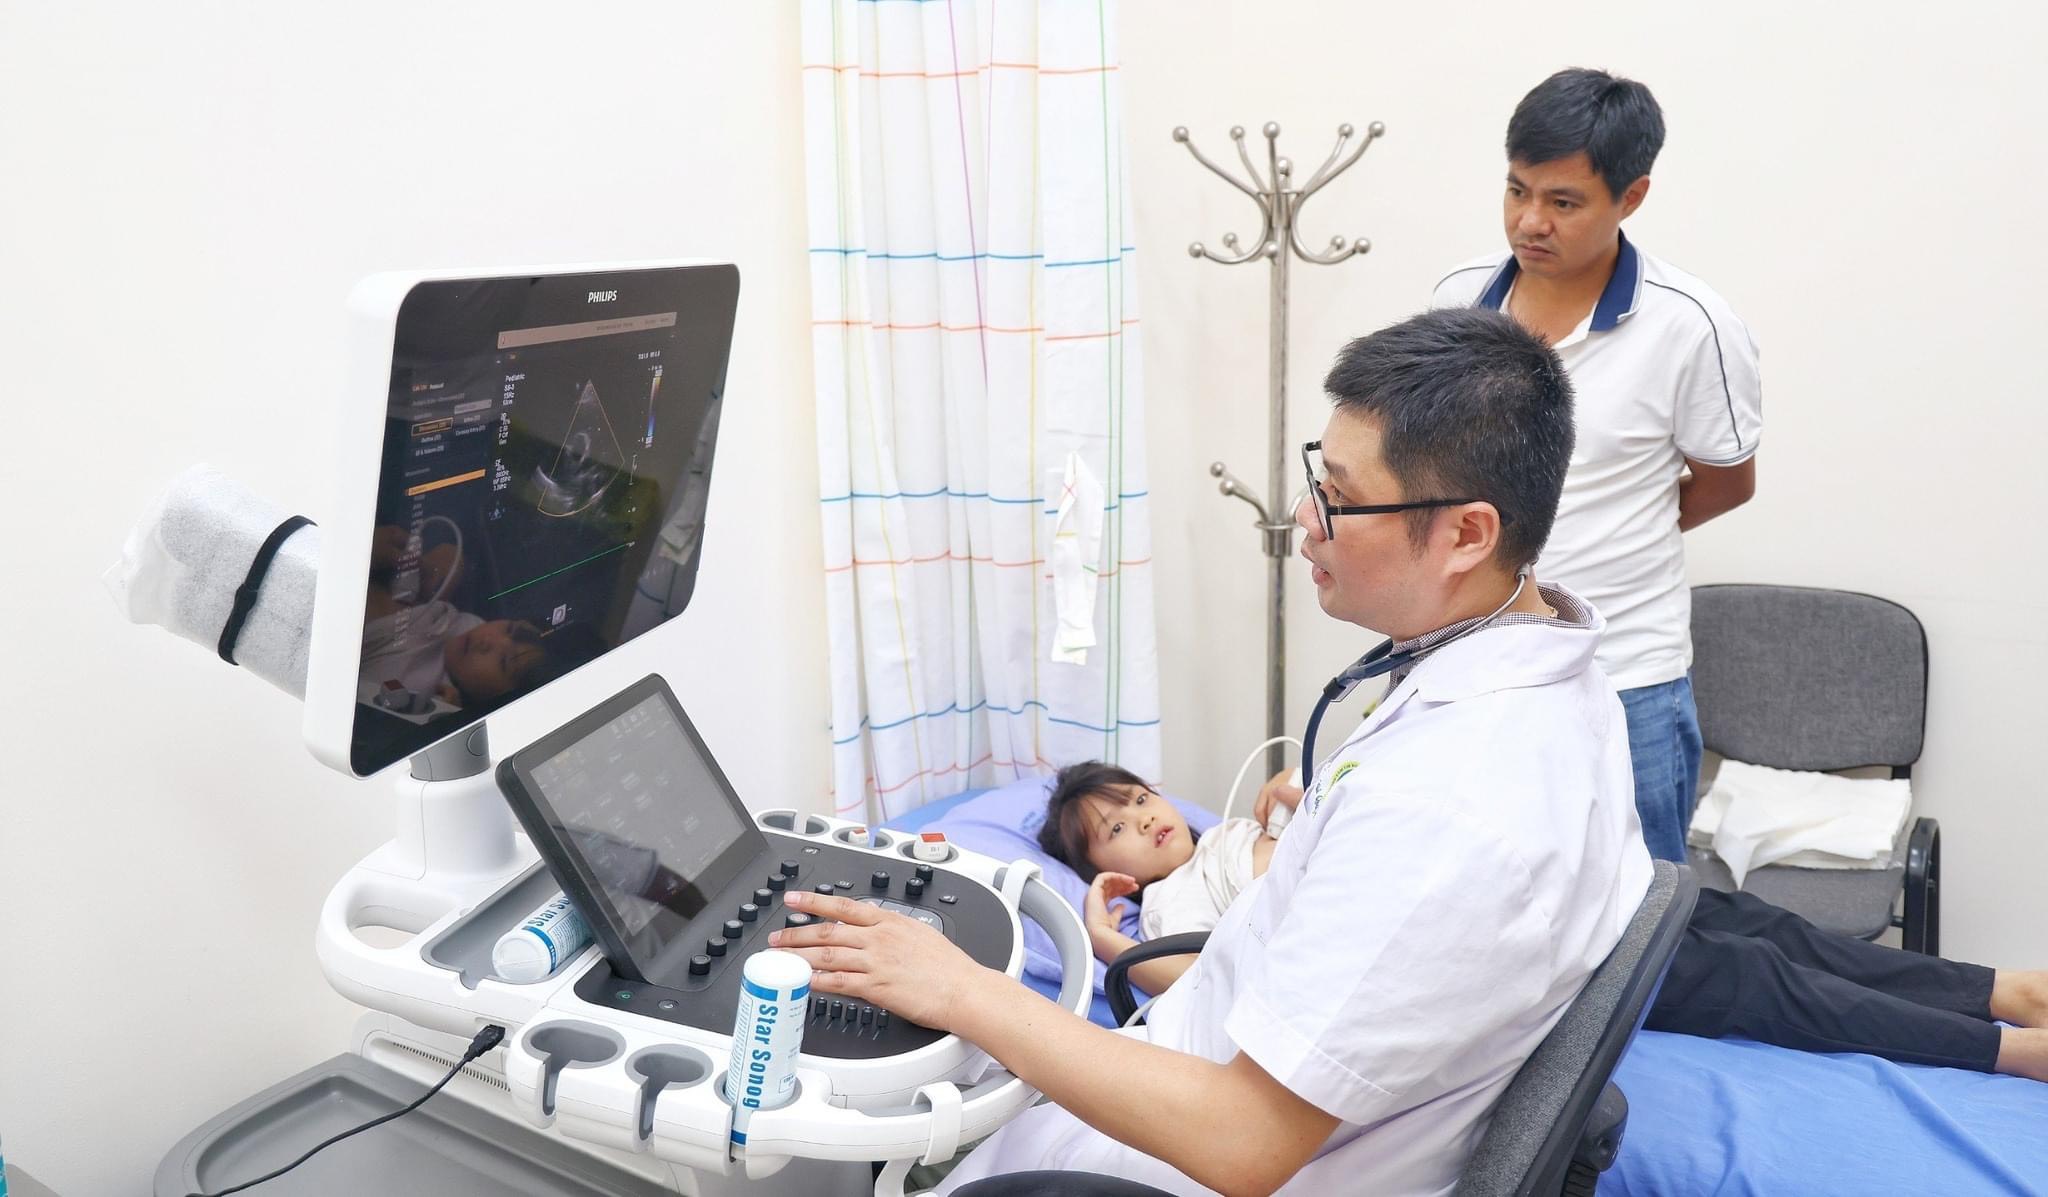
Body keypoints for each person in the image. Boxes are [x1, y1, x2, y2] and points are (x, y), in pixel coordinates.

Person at [768, 307, 1653, 1196]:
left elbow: (1244, 1140)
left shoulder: (1440, 810)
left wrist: (961, 990)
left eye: (1341, 497)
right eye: (1318, 476)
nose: (1305, 516)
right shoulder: (1558, 681)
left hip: (1184, 1157)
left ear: (1467, 534)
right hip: (1190, 1054)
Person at [1431, 67, 1761, 862]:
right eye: (1517, 190)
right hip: (1468, 659)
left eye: (1563, 202)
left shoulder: (1692, 325)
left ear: (1631, 196)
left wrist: (1618, 521)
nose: (1529, 221)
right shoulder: (1458, 298)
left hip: (1624, 674)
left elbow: (1726, 482)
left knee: (1640, 911)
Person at [1037, 761, 1283, 997]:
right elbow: (1199, 982)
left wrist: (1291, 786)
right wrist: (1102, 937)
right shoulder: (1171, 898)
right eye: (1117, 828)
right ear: (1098, 872)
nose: (1145, 820)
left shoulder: (1224, 833)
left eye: (1141, 799)